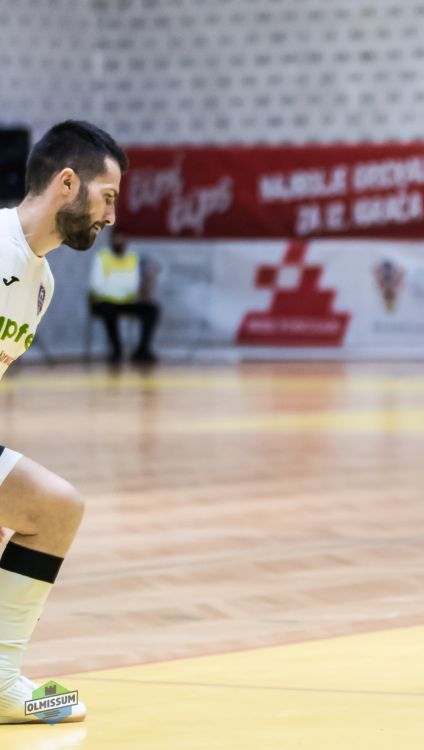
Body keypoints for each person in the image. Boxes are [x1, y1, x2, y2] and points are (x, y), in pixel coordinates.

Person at [0, 120, 126, 723]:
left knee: (53, 509)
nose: (111, 217)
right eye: (108, 197)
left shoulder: (42, 283)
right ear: (68, 183)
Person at [89, 230, 160, 364]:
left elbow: (134, 284)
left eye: (122, 238)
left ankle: (142, 350)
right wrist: (121, 287)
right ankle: (116, 350)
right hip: (107, 301)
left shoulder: (132, 257)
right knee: (108, 311)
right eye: (117, 238)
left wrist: (117, 285)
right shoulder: (102, 256)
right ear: (111, 239)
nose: (119, 242)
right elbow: (96, 285)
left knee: (152, 309)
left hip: (128, 300)